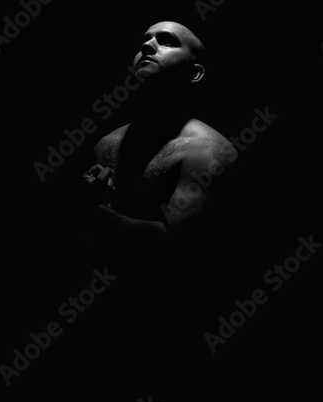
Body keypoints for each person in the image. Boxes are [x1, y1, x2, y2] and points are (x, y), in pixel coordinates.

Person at [81, 21, 238, 249]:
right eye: (144, 41)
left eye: (167, 42)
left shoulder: (210, 151)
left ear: (194, 73)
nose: (147, 46)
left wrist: (89, 210)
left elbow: (178, 245)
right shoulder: (104, 143)